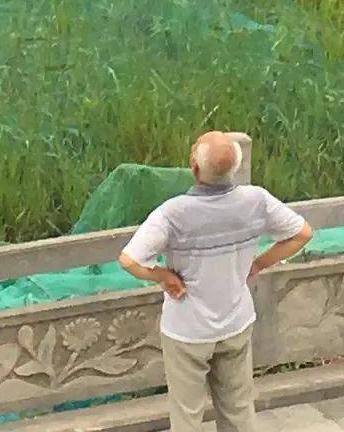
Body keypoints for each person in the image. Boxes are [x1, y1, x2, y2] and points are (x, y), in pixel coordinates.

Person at [118, 131, 314, 432]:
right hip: (235, 322)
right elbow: (302, 234)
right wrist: (259, 263)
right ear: (235, 167)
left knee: (187, 416)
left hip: (187, 330)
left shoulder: (173, 213)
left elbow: (129, 260)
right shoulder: (256, 200)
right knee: (238, 410)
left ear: (194, 168)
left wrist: (161, 275)